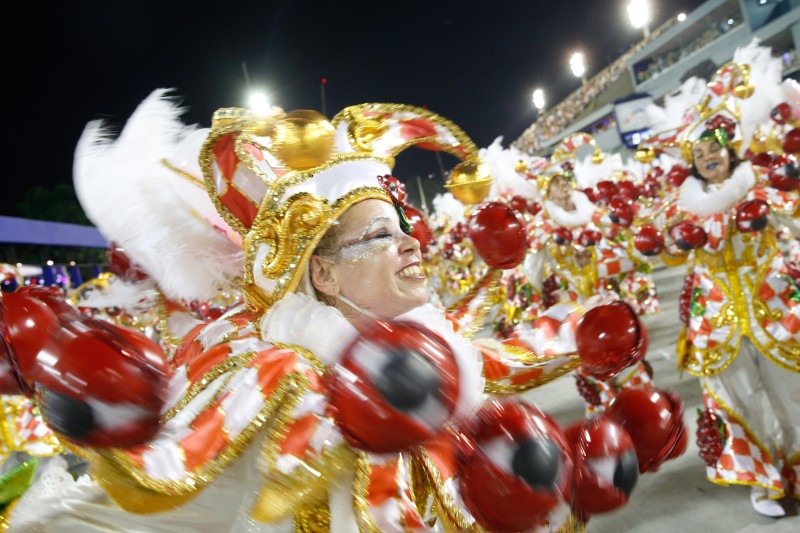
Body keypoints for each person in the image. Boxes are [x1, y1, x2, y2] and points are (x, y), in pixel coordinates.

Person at [0, 90, 677, 532]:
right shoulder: (276, 378)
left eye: (405, 226)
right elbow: (156, 497)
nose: (411, 242)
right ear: (320, 271)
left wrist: (591, 363)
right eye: (381, 235)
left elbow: (521, 359)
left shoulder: (434, 351)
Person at [633, 56, 800, 517]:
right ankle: (766, 481)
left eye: (716, 147)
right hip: (717, 321)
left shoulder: (762, 187)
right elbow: (661, 248)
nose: (709, 156)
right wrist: (650, 246)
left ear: (731, 150)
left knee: (792, 395)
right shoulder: (679, 207)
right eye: (700, 152)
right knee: (740, 400)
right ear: (691, 162)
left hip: (777, 308)